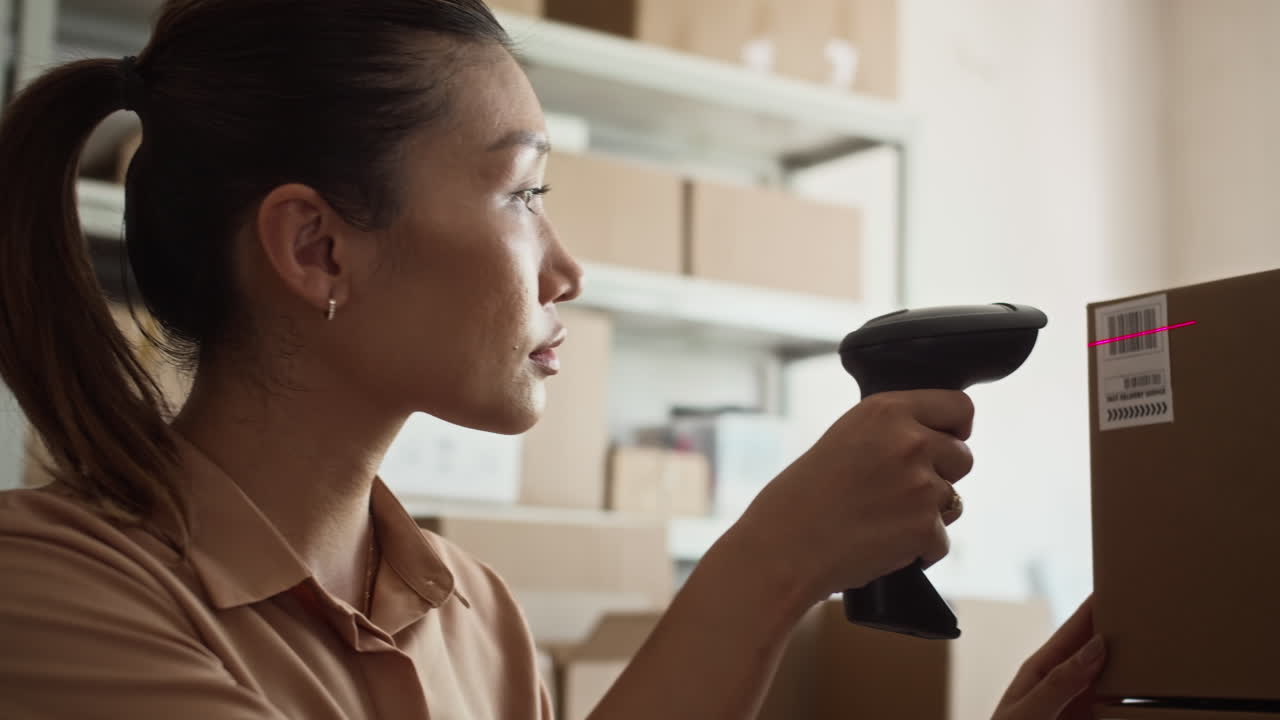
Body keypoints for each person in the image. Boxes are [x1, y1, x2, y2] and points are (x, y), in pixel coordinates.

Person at [0, 1, 1106, 717]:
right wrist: (768, 562)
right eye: (522, 193)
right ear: (316, 246)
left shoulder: (473, 612)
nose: (565, 267)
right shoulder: (44, 590)